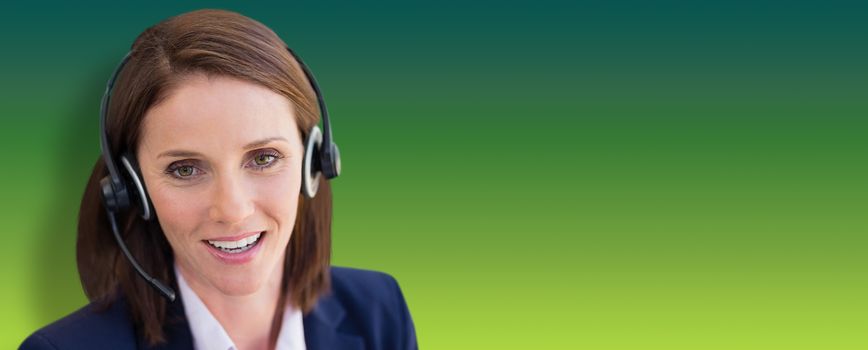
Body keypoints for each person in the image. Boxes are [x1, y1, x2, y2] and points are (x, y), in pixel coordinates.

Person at [20, 9, 416, 350]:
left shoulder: (378, 311)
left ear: (314, 161)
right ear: (132, 188)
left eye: (263, 158)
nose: (232, 209)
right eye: (185, 169)